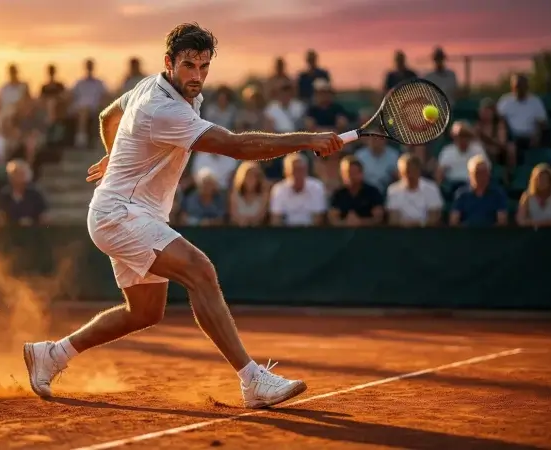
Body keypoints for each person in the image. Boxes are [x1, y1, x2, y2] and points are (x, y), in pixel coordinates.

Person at [23, 22, 343, 409]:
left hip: (133, 212)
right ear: (169, 63)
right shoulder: (163, 108)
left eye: (204, 67)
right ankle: (252, 379)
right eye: (189, 66)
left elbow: (110, 114)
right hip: (118, 213)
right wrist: (307, 139)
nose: (197, 76)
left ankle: (52, 354)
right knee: (200, 270)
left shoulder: (153, 86)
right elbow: (236, 147)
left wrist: (116, 156)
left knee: (144, 312)